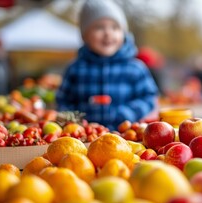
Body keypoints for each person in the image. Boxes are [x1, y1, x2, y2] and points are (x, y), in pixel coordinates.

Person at [56, 0, 159, 130]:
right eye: (99, 27)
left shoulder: (135, 68)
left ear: (123, 33)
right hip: (86, 139)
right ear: (85, 35)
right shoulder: (76, 69)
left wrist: (128, 113)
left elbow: (148, 97)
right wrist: (78, 123)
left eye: (115, 28)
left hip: (125, 137)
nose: (108, 33)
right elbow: (63, 101)